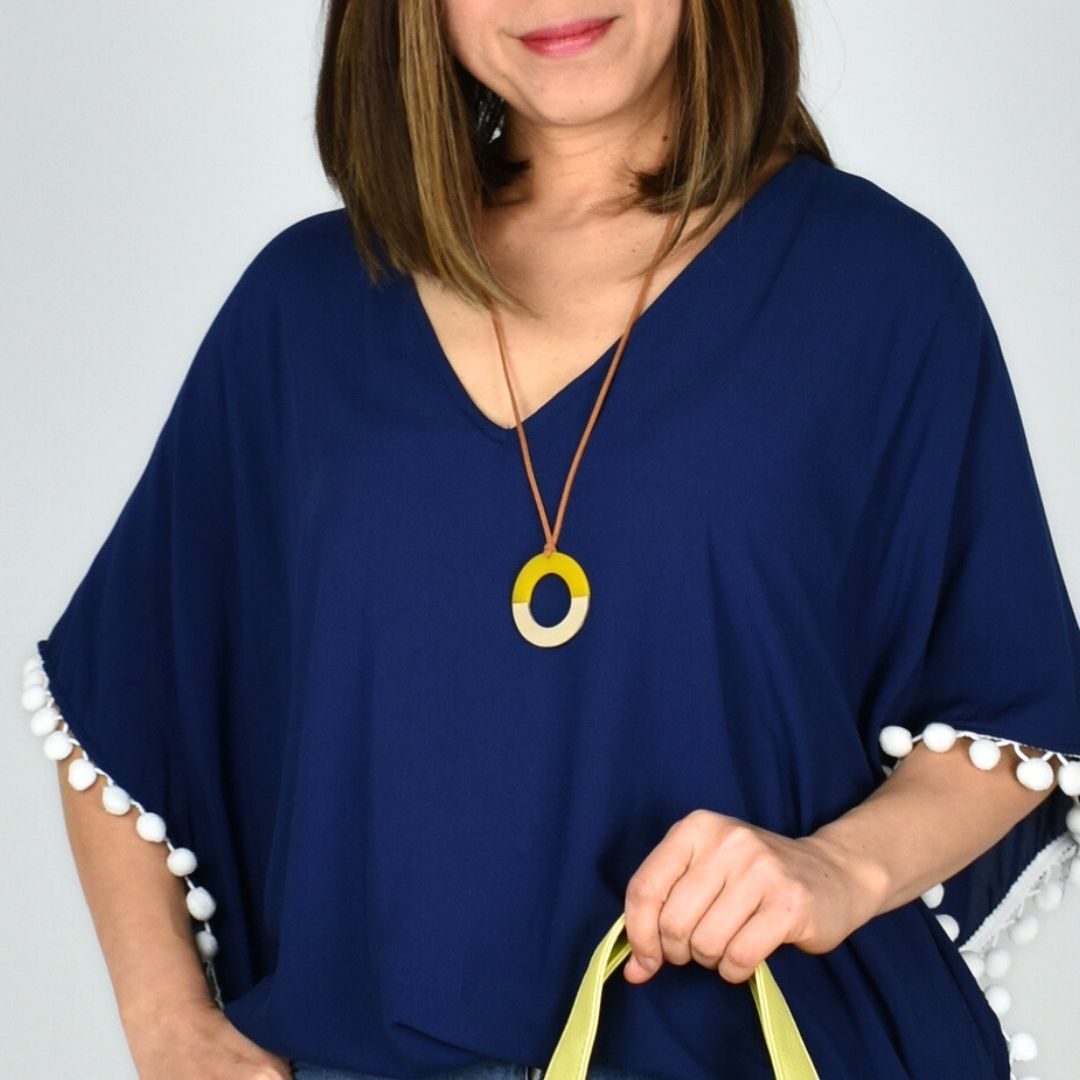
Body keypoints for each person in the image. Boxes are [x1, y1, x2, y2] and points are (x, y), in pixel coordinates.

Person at [19, 1, 1080, 1078]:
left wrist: (839, 868)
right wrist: (169, 1024)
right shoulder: (305, 312)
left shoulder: (876, 285)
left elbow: (1011, 700)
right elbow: (121, 687)